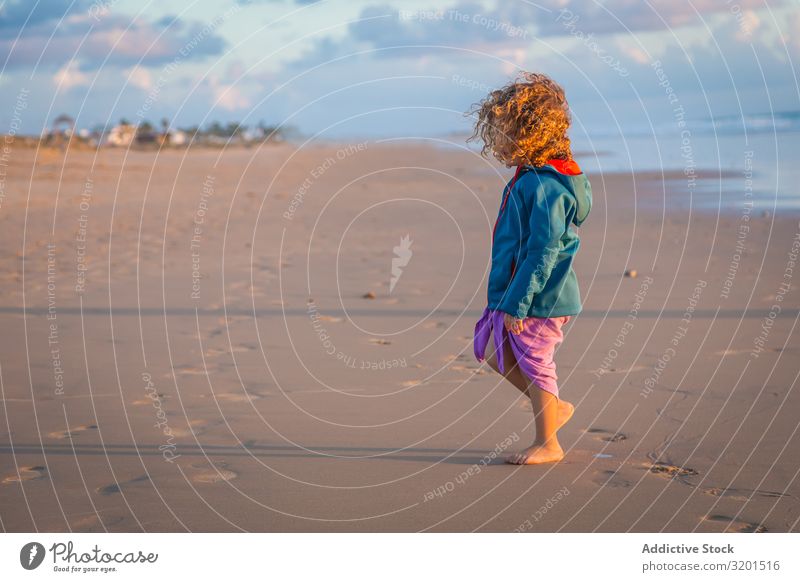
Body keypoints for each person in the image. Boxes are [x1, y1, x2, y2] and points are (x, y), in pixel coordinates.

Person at [469, 72, 592, 465]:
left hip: (540, 296)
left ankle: (548, 442)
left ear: (530, 136)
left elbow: (543, 251)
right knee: (491, 351)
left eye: (504, 134)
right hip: (514, 290)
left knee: (536, 363)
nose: (498, 143)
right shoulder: (530, 177)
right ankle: (554, 409)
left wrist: (518, 304)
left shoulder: (546, 186)